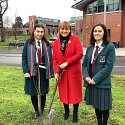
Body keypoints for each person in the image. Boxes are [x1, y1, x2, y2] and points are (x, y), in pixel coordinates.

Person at [82, 23, 115, 125]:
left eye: (100, 31)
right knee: (96, 104)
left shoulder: (110, 47)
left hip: (102, 82)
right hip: (90, 81)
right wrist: (86, 76)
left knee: (104, 106)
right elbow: (84, 63)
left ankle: (104, 123)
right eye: (95, 31)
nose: (97, 33)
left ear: (104, 33)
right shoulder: (90, 47)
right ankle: (99, 123)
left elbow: (108, 67)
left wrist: (95, 79)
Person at [52, 21, 83, 123]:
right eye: (62, 29)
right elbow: (54, 59)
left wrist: (67, 62)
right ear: (59, 30)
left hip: (74, 72)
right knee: (64, 93)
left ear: (70, 30)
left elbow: (79, 54)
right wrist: (56, 71)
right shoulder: (56, 43)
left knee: (75, 93)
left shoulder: (75, 40)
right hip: (62, 73)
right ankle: (66, 111)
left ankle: (75, 113)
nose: (64, 31)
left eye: (66, 29)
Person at [22, 24, 54, 119]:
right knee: (33, 92)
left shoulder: (47, 44)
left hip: (43, 70)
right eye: (38, 31)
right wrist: (26, 71)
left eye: (41, 32)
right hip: (32, 70)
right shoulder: (28, 43)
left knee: (43, 91)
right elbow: (24, 58)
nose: (39, 34)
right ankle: (36, 110)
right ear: (34, 32)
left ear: (44, 33)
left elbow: (51, 58)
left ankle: (41, 109)